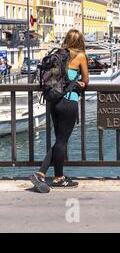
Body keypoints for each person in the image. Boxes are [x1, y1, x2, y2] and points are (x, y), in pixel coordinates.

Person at [30, 29, 89, 193]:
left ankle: (58, 177)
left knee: (59, 140)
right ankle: (42, 173)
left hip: (54, 101)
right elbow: (86, 79)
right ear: (80, 42)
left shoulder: (57, 54)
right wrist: (80, 83)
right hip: (69, 101)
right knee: (62, 141)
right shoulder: (81, 56)